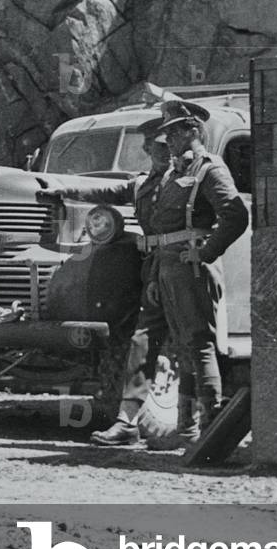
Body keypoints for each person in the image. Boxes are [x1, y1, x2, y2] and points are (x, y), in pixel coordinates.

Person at [37, 116, 173, 446]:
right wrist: (65, 189)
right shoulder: (142, 184)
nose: (160, 153)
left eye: (165, 146)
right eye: (153, 147)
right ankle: (128, 421)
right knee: (141, 339)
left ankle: (197, 427)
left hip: (183, 263)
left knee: (194, 340)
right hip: (154, 266)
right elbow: (106, 190)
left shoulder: (187, 180)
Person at [146, 99, 249, 445]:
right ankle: (187, 429)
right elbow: (162, 230)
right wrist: (155, 276)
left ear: (193, 130)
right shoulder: (174, 173)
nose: (169, 140)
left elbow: (236, 215)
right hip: (170, 269)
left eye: (175, 132)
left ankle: (211, 428)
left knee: (200, 344)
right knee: (183, 345)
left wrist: (206, 252)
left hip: (192, 269)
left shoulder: (209, 168)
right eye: (167, 134)